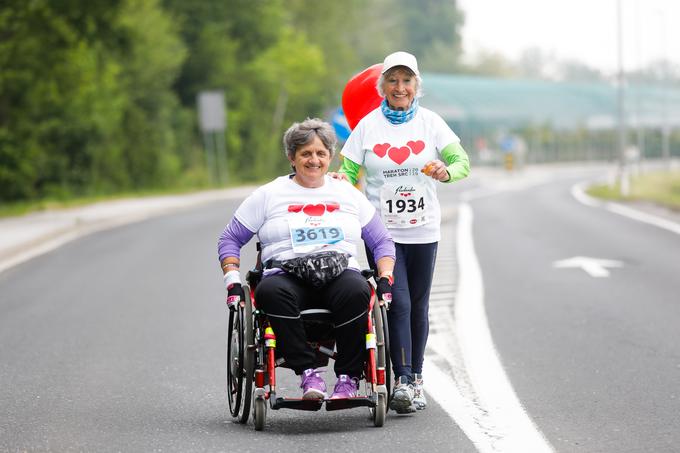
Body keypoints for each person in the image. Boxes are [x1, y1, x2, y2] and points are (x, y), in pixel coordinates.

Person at [217, 118, 395, 400]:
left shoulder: (348, 193)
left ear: (330, 157)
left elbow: (382, 241)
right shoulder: (268, 195)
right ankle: (308, 373)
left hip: (339, 273)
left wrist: (385, 278)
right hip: (285, 276)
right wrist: (233, 282)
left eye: (321, 153)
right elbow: (230, 239)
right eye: (306, 154)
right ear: (291, 157)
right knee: (269, 292)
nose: (314, 160)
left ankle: (348, 378)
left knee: (358, 291)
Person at [332, 51, 470, 412]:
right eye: (392, 80)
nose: (399, 87)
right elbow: (348, 172)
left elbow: (461, 162)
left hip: (423, 229)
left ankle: (417, 378)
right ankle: (404, 380)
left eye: (406, 80)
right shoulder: (367, 126)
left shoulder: (431, 123)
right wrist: (339, 186)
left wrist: (445, 170)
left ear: (416, 86)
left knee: (420, 306)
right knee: (399, 302)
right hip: (382, 232)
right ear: (382, 86)